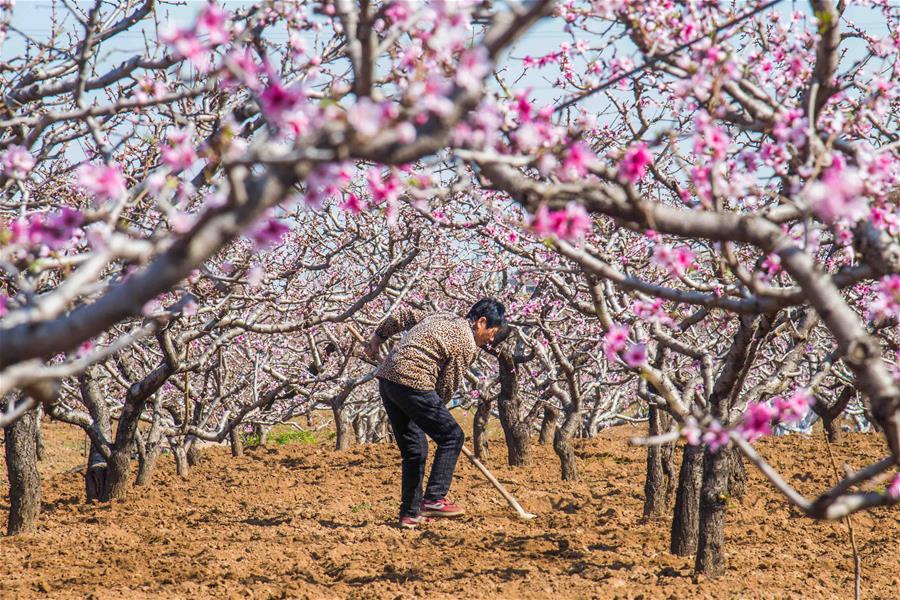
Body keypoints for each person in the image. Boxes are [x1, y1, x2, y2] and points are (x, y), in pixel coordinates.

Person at [366, 298, 507, 529]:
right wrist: (429, 413)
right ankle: (433, 499)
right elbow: (446, 387)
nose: (491, 339)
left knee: (415, 450)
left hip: (389, 380)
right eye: (492, 332)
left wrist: (377, 339)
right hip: (414, 381)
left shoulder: (441, 315)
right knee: (452, 436)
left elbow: (402, 317)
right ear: (481, 322)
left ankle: (409, 514)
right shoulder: (466, 343)